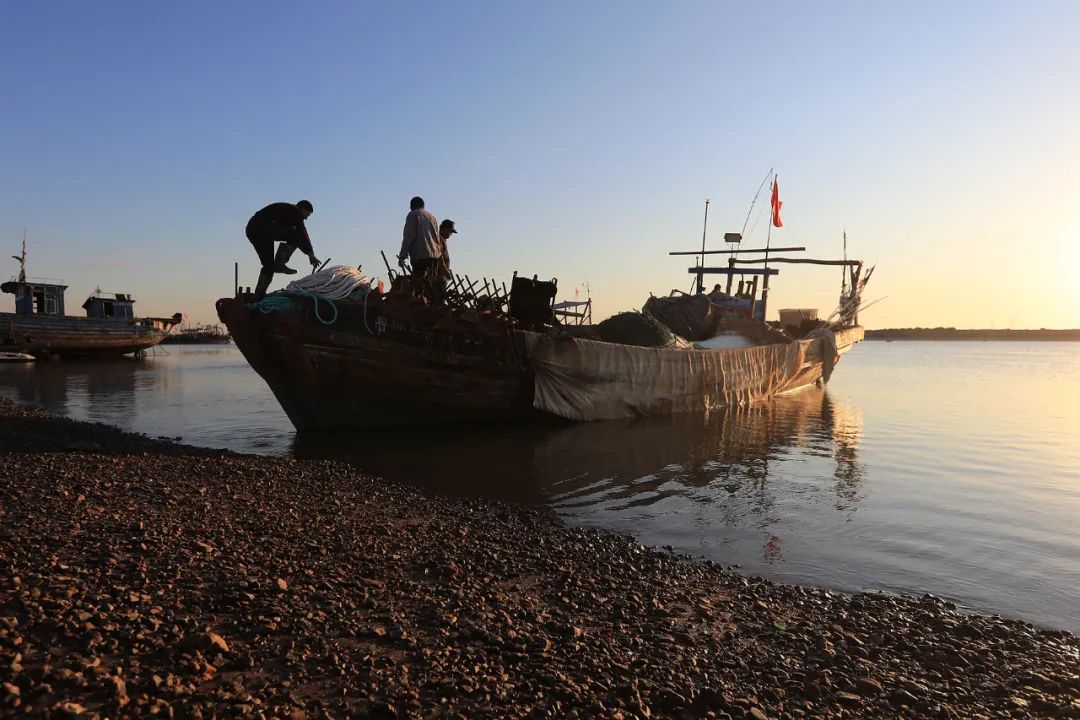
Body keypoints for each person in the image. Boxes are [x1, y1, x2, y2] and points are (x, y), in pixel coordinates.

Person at [246, 200, 321, 300]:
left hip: (254, 230)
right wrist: (311, 254)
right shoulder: (295, 211)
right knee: (297, 235)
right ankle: (280, 263)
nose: (306, 218)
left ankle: (259, 295)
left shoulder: (288, 212)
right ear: (302, 209)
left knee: (268, 265)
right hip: (264, 227)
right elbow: (302, 233)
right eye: (307, 214)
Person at [398, 196, 442, 280]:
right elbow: (436, 238)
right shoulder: (432, 217)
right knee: (431, 283)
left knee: (420, 284)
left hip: (420, 256)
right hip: (434, 257)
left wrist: (403, 255)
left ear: (411, 206)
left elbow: (409, 236)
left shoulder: (413, 214)